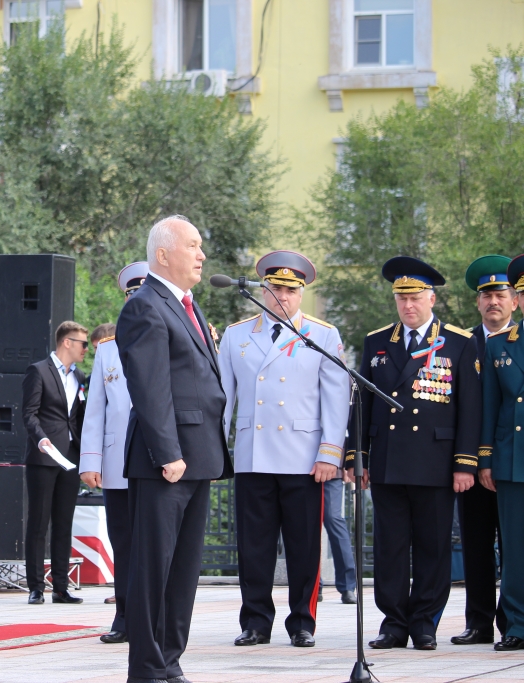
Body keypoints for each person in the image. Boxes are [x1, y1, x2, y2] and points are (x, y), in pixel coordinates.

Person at [118, 216, 233, 683]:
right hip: (166, 460)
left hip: (200, 454)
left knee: (184, 570)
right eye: (193, 245)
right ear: (163, 255)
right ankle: (146, 667)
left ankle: (169, 660)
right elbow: (150, 389)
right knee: (153, 568)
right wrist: (167, 453)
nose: (202, 254)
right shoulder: (146, 305)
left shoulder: (188, 304)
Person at [345, 256, 480, 651]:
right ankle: (393, 623)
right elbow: (363, 405)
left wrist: (465, 463)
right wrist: (358, 456)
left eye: (416, 297)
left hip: (436, 462)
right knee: (389, 547)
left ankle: (424, 623)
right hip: (387, 461)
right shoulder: (377, 342)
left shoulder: (457, 342)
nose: (408, 306)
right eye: (401, 298)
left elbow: (470, 409)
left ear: (432, 298)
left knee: (433, 547)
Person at [219, 251, 349, 649]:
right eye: (275, 288)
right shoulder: (237, 334)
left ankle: (302, 622)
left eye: (291, 290)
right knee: (254, 546)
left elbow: (336, 397)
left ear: (301, 294)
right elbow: (222, 399)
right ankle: (255, 622)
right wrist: (214, 452)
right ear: (264, 289)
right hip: (253, 455)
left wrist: (330, 453)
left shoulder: (322, 335)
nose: (282, 297)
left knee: (304, 546)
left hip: (303, 457)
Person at [79, 261, 148, 643]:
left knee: (152, 542)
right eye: (131, 296)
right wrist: (90, 460)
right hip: (117, 461)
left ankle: (154, 616)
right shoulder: (108, 350)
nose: (137, 302)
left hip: (157, 462)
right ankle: (123, 617)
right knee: (123, 542)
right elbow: (97, 410)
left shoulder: (171, 338)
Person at [453, 255, 513, 646]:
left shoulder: (521, 341)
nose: (493, 302)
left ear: (514, 300)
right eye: (486, 295)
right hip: (470, 464)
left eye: (501, 294)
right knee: (475, 545)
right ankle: (478, 622)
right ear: (477, 302)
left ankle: (513, 621)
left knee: (514, 547)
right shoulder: (463, 343)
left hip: (511, 464)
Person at [22, 320, 89, 606]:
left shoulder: (80, 377)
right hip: (44, 456)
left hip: (71, 457)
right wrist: (40, 439)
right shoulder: (38, 371)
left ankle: (61, 586)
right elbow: (29, 413)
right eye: (83, 344)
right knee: (39, 522)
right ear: (67, 342)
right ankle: (36, 586)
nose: (86, 349)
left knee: (64, 522)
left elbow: (81, 417)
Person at [479, 253, 524, 652]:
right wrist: (487, 459)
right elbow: (491, 408)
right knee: (515, 548)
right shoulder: (499, 345)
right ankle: (518, 626)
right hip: (514, 460)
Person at [323, 479, 357, 605]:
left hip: (332, 470)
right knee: (306, 524)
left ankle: (347, 586)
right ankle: (313, 586)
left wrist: (347, 465)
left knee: (333, 518)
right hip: (302, 471)